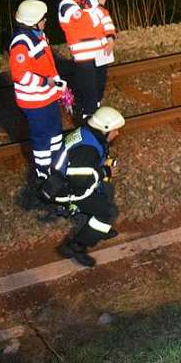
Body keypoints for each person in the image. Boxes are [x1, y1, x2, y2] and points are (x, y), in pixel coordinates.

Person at [39, 106, 125, 267]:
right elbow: (79, 182)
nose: (117, 134)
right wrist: (105, 171)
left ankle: (98, 230)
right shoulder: (88, 150)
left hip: (66, 178)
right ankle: (75, 246)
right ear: (104, 129)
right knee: (108, 212)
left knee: (107, 189)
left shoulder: (88, 133)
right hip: (66, 189)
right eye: (115, 130)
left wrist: (102, 169)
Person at [8, 0, 66, 180]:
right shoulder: (21, 44)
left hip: (48, 97)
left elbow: (47, 64)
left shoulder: (38, 36)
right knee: (42, 138)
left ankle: (60, 165)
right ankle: (44, 173)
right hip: (35, 102)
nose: (45, 21)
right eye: (43, 18)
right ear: (32, 21)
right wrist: (45, 82)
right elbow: (21, 76)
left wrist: (57, 83)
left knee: (56, 134)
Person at [57, 0, 116, 120]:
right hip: (85, 58)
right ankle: (88, 120)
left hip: (102, 52)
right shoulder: (66, 6)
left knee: (99, 88)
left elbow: (105, 17)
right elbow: (88, 22)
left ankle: (96, 116)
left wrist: (110, 36)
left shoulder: (89, 0)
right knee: (89, 91)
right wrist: (99, 7)